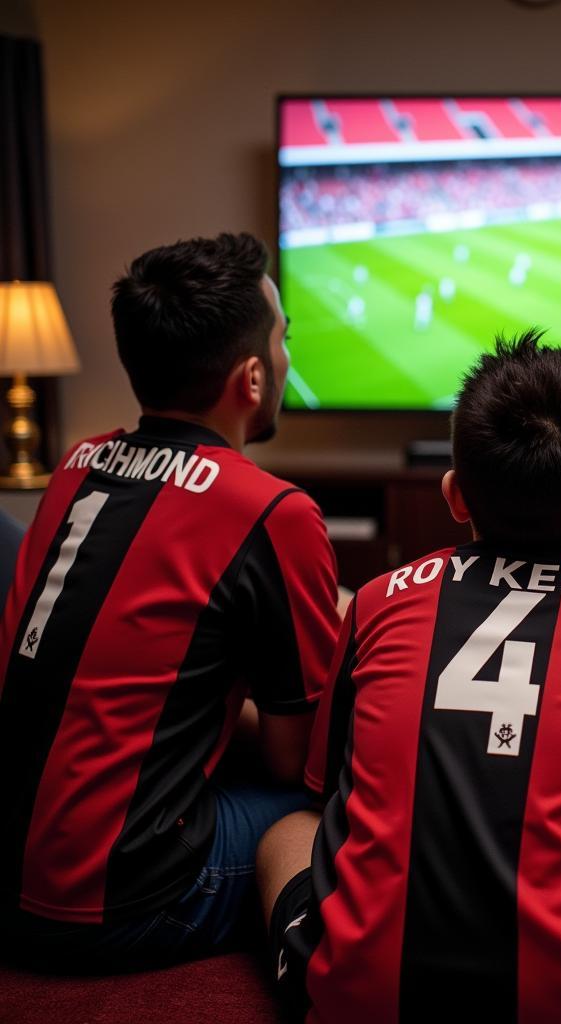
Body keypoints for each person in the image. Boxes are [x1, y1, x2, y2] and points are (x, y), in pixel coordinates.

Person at [257, 330, 561, 1022]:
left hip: (352, 998)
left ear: (454, 495)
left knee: (286, 830)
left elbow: (329, 791)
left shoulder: (376, 600)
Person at [0, 233, 341, 970]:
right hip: (119, 901)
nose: (286, 358)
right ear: (251, 379)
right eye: (283, 341)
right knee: (333, 803)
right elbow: (291, 759)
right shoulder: (273, 511)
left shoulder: (74, 464)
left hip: (11, 871)